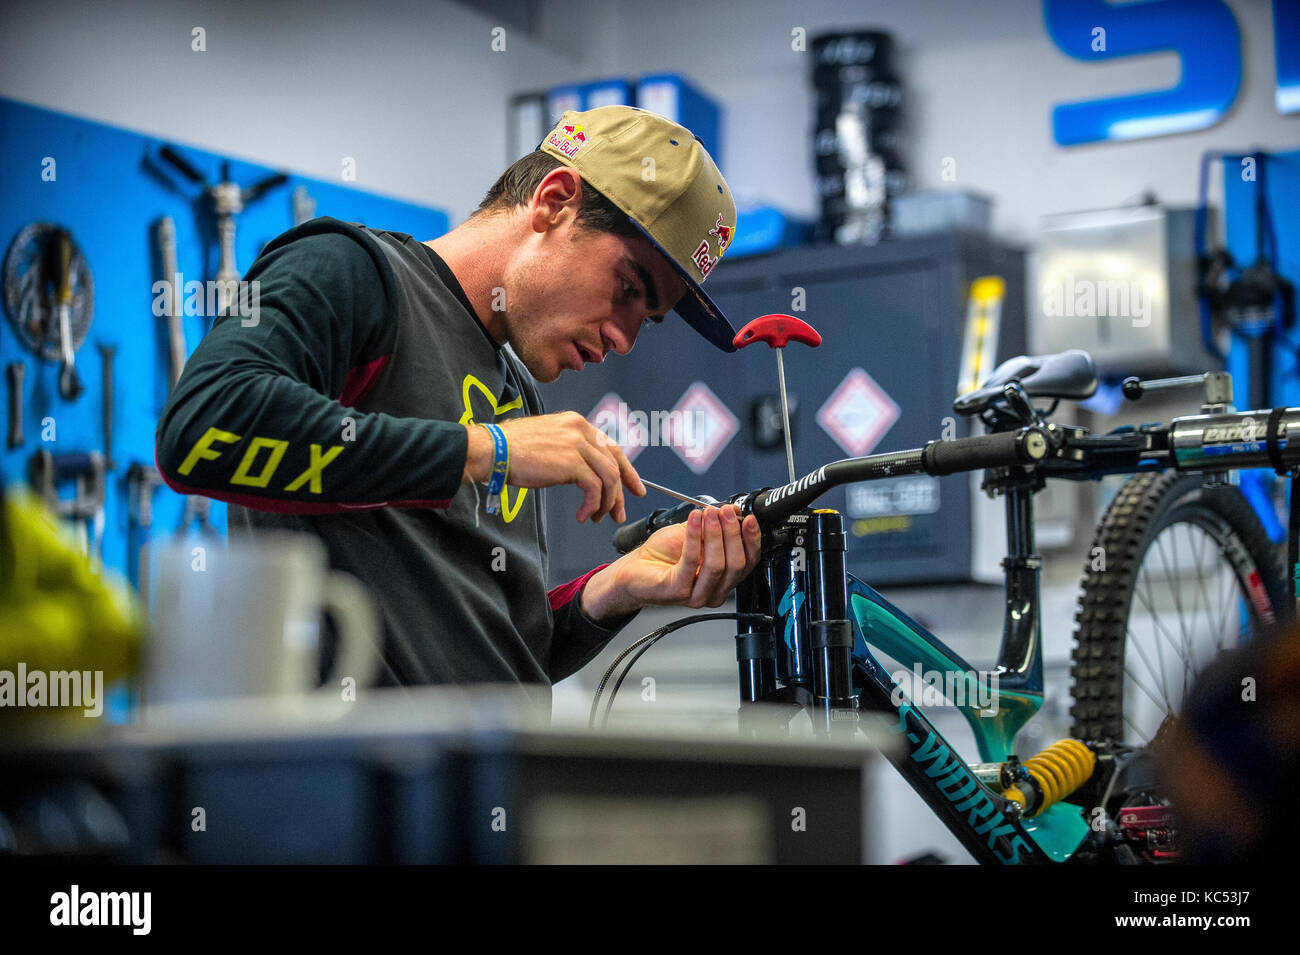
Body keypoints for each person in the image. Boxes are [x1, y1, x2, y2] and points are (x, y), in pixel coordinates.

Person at [154, 105, 761, 702]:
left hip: (491, 785)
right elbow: (200, 429)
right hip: (354, 786)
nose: (623, 338)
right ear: (553, 201)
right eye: (628, 289)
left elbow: (503, 657)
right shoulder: (352, 272)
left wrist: (618, 586)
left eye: (645, 320)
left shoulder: (516, 392)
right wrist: (487, 450)